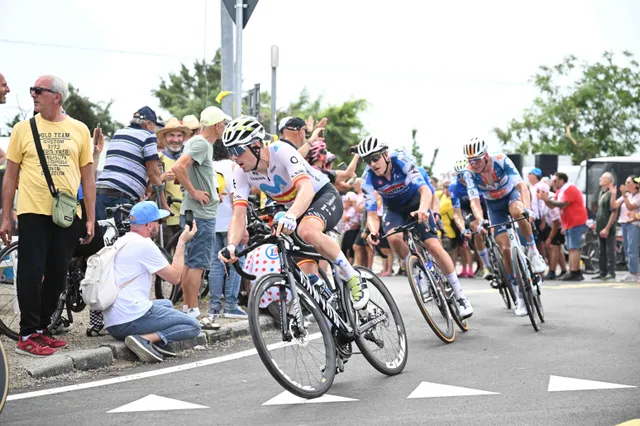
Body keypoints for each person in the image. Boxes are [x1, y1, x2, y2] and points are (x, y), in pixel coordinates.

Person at [219, 116, 370, 310]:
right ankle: (326, 300)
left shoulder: (281, 151)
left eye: (238, 150)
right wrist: (232, 245)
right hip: (294, 208)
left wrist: (291, 215)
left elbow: (305, 188)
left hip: (320, 196)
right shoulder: (240, 172)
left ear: (256, 145)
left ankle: (352, 276)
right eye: (230, 151)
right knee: (294, 258)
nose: (234, 157)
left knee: (307, 230)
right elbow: (238, 214)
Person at [1, 75, 95, 356]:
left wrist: (90, 216)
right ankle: (27, 333)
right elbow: (10, 177)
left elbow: (87, 177)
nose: (32, 94)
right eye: (32, 90)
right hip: (33, 211)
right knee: (31, 272)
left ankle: (41, 329)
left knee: (57, 273)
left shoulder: (79, 129)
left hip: (66, 214)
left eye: (38, 91)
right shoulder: (22, 129)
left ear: (57, 96)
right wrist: (6, 216)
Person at [360, 137, 473, 318]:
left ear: (385, 155)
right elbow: (372, 214)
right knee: (393, 238)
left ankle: (460, 296)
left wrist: (422, 210)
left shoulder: (402, 161)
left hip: (416, 202)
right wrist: (373, 230)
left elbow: (426, 190)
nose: (372, 164)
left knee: (434, 246)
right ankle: (419, 273)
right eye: (367, 160)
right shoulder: (367, 179)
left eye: (375, 158)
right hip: (394, 209)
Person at [104, 201, 200, 362]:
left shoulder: (122, 240)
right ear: (149, 225)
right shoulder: (144, 244)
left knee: (167, 305)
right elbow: (175, 278)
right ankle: (145, 339)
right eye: (158, 221)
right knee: (193, 326)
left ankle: (153, 341)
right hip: (130, 320)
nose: (159, 225)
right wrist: (181, 243)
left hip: (113, 323)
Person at [461, 137, 546, 317]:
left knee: (517, 212)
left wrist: (528, 209)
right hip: (494, 207)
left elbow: (522, 186)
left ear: (485, 155)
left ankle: (533, 251)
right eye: (470, 161)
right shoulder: (469, 172)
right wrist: (480, 220)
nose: (473, 164)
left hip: (511, 196)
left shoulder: (500, 159)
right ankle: (518, 295)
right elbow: (474, 200)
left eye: (476, 159)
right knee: (505, 249)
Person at [170, 106, 225, 318]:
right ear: (218, 125)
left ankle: (188, 309)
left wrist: (208, 192)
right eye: (224, 124)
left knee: (191, 261)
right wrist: (194, 192)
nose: (225, 128)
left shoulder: (197, 142)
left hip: (196, 212)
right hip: (201, 214)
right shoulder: (202, 143)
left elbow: (183, 172)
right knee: (198, 264)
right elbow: (178, 167)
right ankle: (192, 311)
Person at [95, 106, 168, 220]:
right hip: (120, 195)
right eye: (154, 126)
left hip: (100, 191)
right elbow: (153, 173)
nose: (154, 130)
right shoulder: (148, 136)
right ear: (148, 124)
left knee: (104, 235)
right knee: (122, 237)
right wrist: (164, 204)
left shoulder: (119, 133)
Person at [208, 140, 247, 320]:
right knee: (236, 261)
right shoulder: (232, 167)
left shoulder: (208, 166)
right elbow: (236, 198)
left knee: (216, 264)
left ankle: (214, 306)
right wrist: (243, 227)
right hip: (232, 224)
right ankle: (231, 305)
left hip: (212, 221)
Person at [539, 172, 588, 281]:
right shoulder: (560, 191)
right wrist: (545, 200)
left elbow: (563, 204)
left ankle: (575, 271)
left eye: (555, 181)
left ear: (561, 180)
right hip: (569, 223)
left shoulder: (569, 188)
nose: (553, 183)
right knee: (571, 248)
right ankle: (572, 270)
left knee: (574, 248)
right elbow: (552, 205)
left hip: (576, 221)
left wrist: (547, 200)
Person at [450, 159, 493, 280]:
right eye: (460, 176)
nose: (463, 178)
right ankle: (486, 265)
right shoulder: (454, 186)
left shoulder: (479, 178)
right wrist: (463, 229)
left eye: (465, 174)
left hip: (483, 204)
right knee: (476, 227)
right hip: (467, 210)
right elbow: (457, 214)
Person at [157, 117, 190, 244]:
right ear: (164, 138)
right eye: (171, 135)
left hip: (187, 214)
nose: (175, 140)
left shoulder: (188, 158)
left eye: (179, 136)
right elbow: (148, 189)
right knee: (166, 255)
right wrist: (162, 178)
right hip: (166, 217)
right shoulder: (158, 159)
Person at [611, 175, 640, 282]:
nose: (626, 184)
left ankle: (634, 273)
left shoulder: (637, 196)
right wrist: (613, 194)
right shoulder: (627, 195)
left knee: (632, 249)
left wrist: (624, 195)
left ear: (636, 185)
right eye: (626, 182)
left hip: (634, 224)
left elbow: (631, 207)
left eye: (628, 182)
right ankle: (632, 272)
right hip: (624, 223)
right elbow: (614, 205)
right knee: (627, 249)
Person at [536, 182, 567, 280]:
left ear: (545, 192)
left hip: (558, 226)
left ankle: (552, 271)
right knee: (557, 249)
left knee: (553, 247)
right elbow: (545, 213)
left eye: (538, 192)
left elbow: (556, 222)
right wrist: (543, 223)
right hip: (551, 224)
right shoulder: (542, 200)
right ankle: (564, 270)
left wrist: (550, 237)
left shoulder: (551, 200)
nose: (536, 194)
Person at [591, 172, 618, 281]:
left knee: (609, 251)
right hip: (600, 227)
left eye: (603, 178)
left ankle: (611, 272)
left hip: (608, 229)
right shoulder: (602, 192)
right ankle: (603, 272)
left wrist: (607, 228)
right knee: (601, 251)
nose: (600, 179)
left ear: (609, 181)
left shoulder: (612, 194)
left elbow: (614, 212)